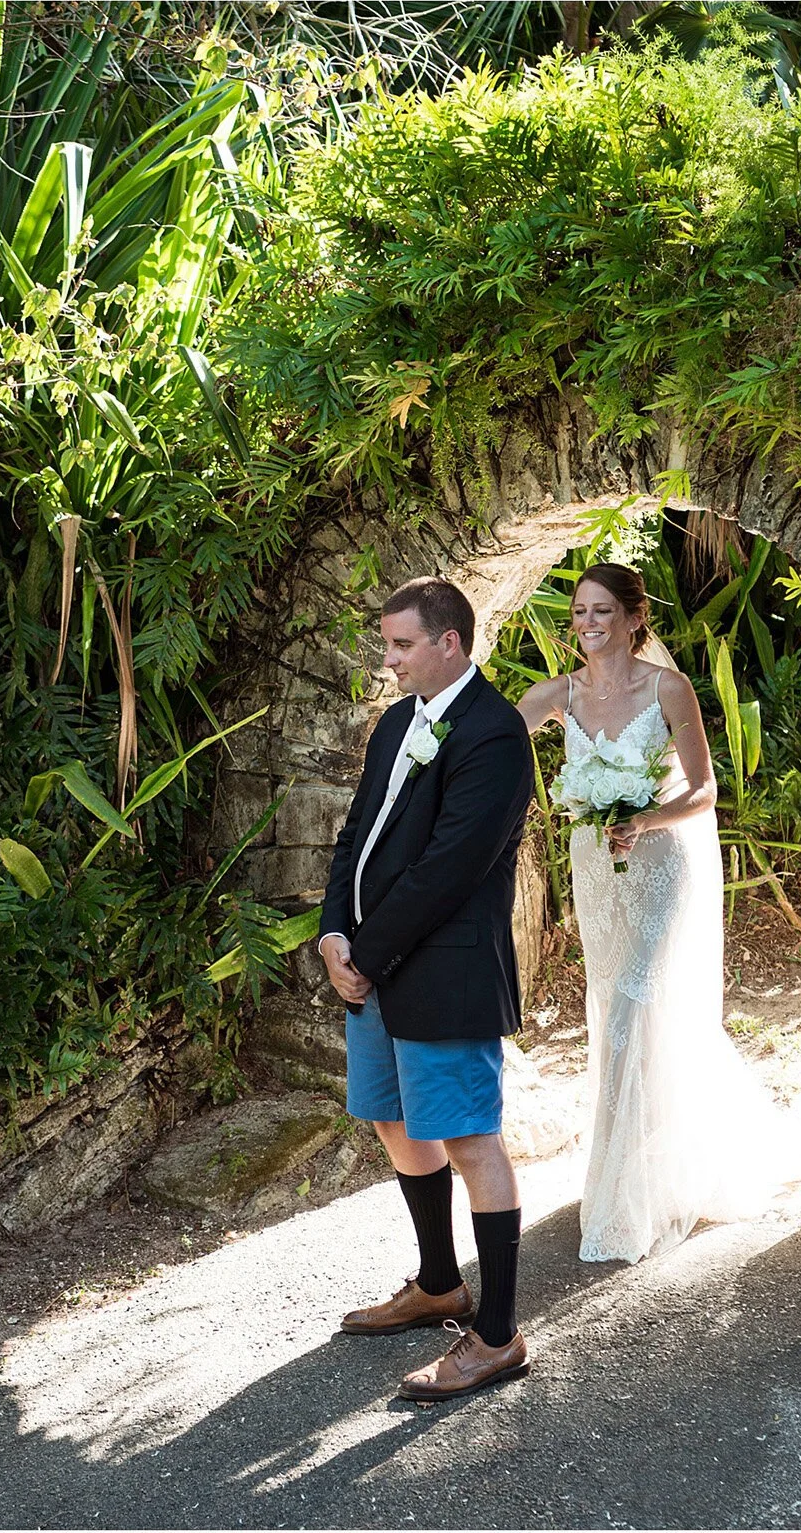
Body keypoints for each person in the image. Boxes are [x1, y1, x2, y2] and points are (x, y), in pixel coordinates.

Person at [517, 561, 796, 1263]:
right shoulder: (557, 692)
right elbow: (491, 743)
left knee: (636, 1001)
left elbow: (703, 791)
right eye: (579, 611)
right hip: (595, 865)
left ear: (635, 617)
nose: (587, 624)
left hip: (659, 858)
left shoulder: (667, 687)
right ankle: (643, 1160)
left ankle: (619, 1189)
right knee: (613, 1003)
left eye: (602, 611)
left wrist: (645, 816)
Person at [317, 576, 538, 1400]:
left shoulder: (494, 734)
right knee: (388, 1113)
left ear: (449, 642)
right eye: (389, 644)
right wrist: (335, 931)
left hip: (442, 971)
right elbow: (356, 835)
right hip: (372, 965)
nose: (390, 659)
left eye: (402, 645)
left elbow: (450, 869)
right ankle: (440, 1282)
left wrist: (367, 952)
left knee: (469, 1137)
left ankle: (498, 1334)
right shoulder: (394, 726)